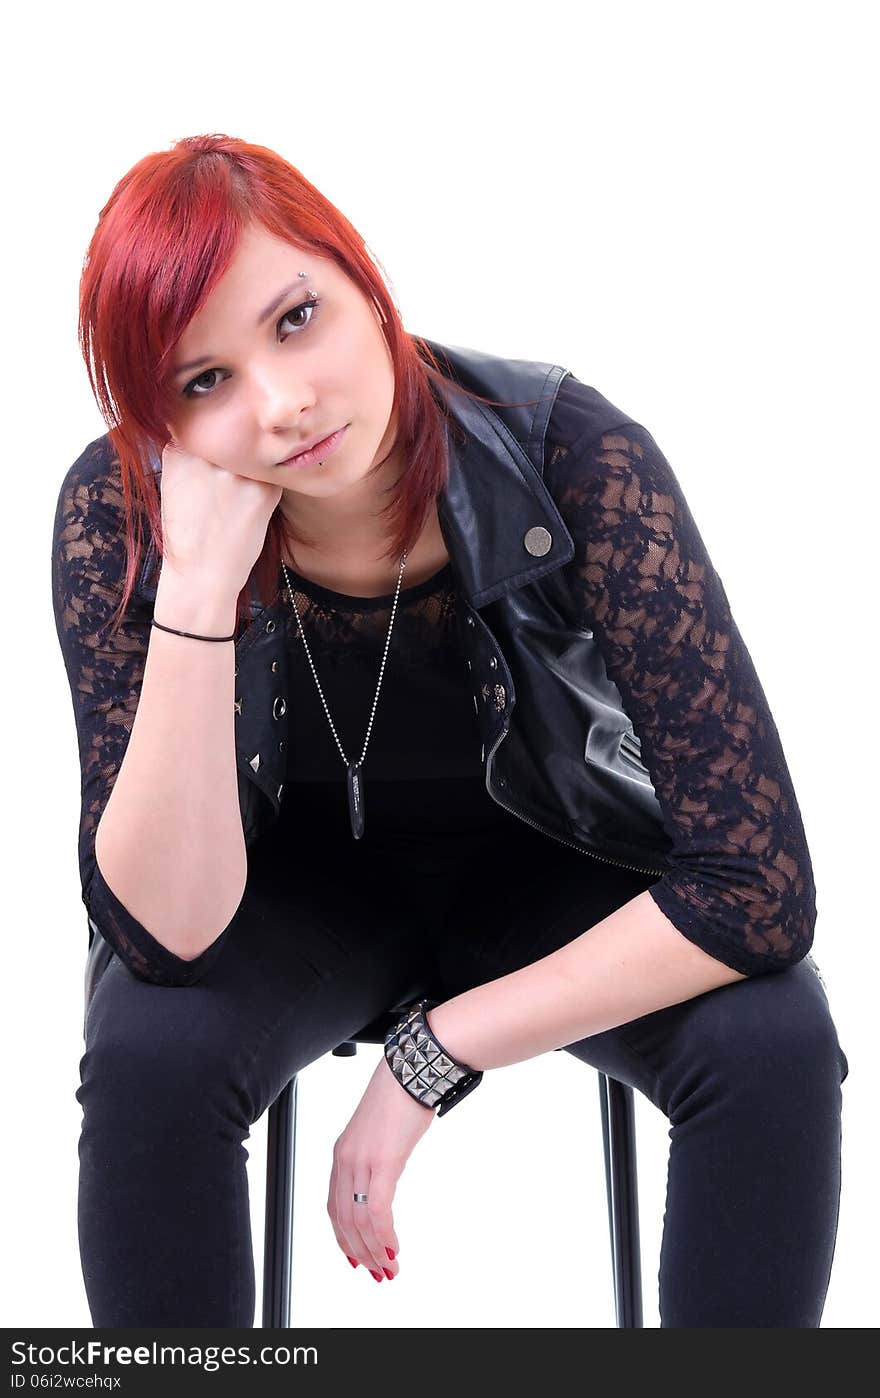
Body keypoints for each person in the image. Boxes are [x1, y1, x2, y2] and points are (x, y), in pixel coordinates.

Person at [52, 133, 849, 1328]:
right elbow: (163, 932)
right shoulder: (121, 514)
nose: (281, 403)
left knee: (771, 1036)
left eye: (294, 317)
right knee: (148, 1057)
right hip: (281, 899)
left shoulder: (569, 454)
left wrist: (435, 1054)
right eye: (200, 382)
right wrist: (200, 591)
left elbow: (758, 885)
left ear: (363, 281)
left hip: (551, 881)